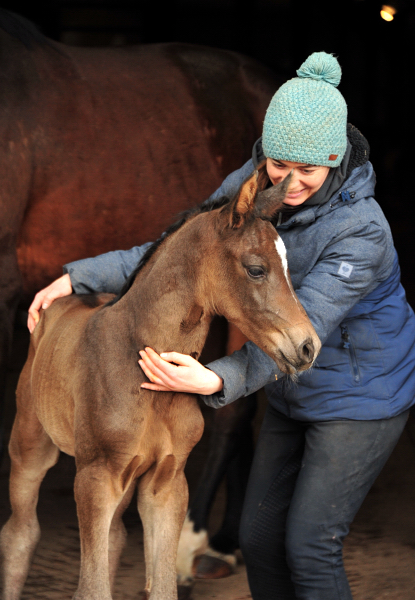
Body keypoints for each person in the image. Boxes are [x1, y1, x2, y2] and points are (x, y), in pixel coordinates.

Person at [28, 52, 415, 600]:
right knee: (257, 541)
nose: (292, 182)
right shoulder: (257, 184)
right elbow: (177, 251)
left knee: (309, 546)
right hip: (288, 387)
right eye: (281, 164)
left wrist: (215, 381)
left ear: (338, 159)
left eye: (310, 170)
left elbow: (307, 326)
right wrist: (78, 277)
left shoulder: (363, 233)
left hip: (359, 394)